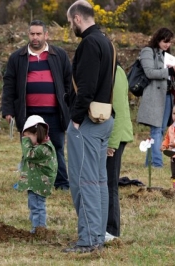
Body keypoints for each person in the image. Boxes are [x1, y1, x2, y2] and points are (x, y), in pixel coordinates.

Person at [63, 0, 115, 253]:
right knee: (99, 181)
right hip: (105, 119)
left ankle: (89, 240)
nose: (70, 25)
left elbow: (86, 86)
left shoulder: (89, 44)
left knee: (84, 183)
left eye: (70, 21)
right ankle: (98, 236)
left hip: (88, 122)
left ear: (78, 18)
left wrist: (75, 116)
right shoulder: (107, 42)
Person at [1, 19, 72, 191]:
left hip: (55, 112)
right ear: (28, 35)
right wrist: (8, 109)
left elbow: (69, 82)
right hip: (28, 113)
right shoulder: (17, 57)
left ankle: (61, 182)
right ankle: (30, 181)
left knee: (56, 147)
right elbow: (9, 84)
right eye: (32, 34)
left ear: (46, 35)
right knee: (29, 148)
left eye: (39, 34)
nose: (35, 37)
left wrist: (69, 107)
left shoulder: (59, 55)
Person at [137, 27, 175, 168]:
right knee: (156, 130)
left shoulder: (167, 55)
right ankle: (157, 163)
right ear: (158, 39)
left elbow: (166, 75)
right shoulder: (147, 51)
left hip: (167, 95)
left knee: (161, 129)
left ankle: (150, 162)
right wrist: (170, 70)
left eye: (169, 42)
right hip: (154, 96)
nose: (167, 44)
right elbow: (150, 72)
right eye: (165, 41)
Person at [105, 64, 134, 242]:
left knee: (110, 183)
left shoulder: (114, 71)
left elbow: (120, 110)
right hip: (108, 137)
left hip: (115, 137)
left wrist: (112, 143)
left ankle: (112, 229)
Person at [15, 115, 57, 233]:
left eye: (27, 137)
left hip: (40, 184)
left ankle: (39, 230)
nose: (25, 140)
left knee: (38, 205)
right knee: (33, 204)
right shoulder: (39, 146)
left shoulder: (43, 149)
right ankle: (35, 225)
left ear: (36, 134)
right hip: (35, 182)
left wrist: (24, 141)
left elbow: (29, 154)